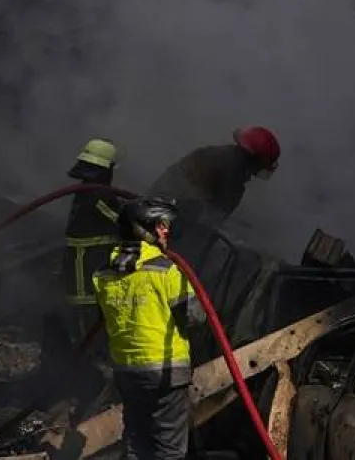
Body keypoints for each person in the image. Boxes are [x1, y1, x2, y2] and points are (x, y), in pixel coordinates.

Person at [94, 197, 204, 460]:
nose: (167, 230)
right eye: (161, 225)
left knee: (136, 442)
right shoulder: (166, 271)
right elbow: (195, 317)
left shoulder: (103, 274)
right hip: (166, 374)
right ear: (145, 229)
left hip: (127, 373)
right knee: (168, 449)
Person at [148, 126, 280, 232]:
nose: (255, 172)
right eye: (259, 166)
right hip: (169, 218)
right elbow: (214, 216)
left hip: (159, 206)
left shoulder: (220, 155)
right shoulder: (233, 173)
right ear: (252, 159)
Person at [62, 139, 123, 347]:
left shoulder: (86, 191)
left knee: (90, 314)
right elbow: (121, 221)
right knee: (90, 315)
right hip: (88, 266)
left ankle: (86, 354)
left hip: (85, 265)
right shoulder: (98, 195)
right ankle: (90, 356)